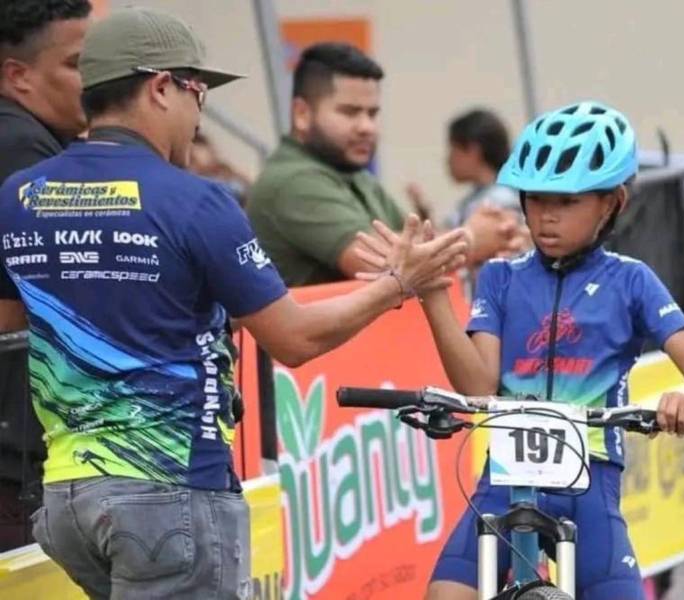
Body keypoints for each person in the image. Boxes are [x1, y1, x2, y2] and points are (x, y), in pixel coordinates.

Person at [0, 7, 467, 599]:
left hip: (65, 499)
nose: (200, 115)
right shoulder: (195, 202)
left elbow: (10, 321)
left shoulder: (21, 194)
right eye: (198, 91)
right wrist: (399, 281)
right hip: (171, 491)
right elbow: (293, 339)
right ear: (161, 87)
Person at [356, 101, 684, 600]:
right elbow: (477, 386)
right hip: (503, 480)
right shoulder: (501, 277)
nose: (546, 216)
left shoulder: (632, 280)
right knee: (444, 595)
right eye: (535, 198)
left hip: (590, 483)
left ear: (612, 202)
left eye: (567, 201)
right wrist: (434, 291)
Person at [247, 42, 516, 287]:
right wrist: (470, 239)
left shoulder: (351, 173)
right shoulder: (292, 181)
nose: (367, 127)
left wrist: (503, 238)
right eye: (350, 112)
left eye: (372, 113)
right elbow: (388, 266)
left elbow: (412, 243)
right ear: (302, 114)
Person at [0, 0, 92, 551]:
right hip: (14, 461)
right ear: (19, 76)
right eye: (79, 63)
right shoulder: (20, 146)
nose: (98, 78)